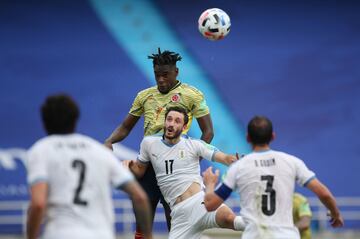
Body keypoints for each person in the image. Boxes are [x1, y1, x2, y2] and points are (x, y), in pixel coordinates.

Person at [104, 48, 214, 238]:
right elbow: (125, 127)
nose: (161, 79)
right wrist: (110, 140)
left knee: (176, 225)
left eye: (165, 75)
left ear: (176, 72)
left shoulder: (192, 95)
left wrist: (191, 160)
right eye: (157, 75)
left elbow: (208, 132)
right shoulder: (144, 96)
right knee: (142, 225)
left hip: (175, 171)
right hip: (147, 167)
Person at [26, 94, 153, 239]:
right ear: (75, 119)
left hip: (60, 233)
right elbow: (140, 197)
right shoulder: (97, 150)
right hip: (101, 234)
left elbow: (38, 204)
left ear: (44, 122)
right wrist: (148, 236)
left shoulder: (41, 150)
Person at [203, 115, 344, 239]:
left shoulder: (239, 168)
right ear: (273, 136)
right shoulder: (292, 162)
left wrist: (209, 184)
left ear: (248, 138)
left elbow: (210, 205)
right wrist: (335, 213)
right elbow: (324, 194)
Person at [126, 107, 245, 239]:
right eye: (169, 119)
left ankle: (264, 224)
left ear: (184, 127)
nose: (171, 124)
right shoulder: (149, 143)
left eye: (177, 121)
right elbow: (139, 170)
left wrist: (238, 160)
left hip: (200, 204)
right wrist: (129, 165)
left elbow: (225, 158)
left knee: (229, 219)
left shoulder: (194, 144)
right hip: (179, 215)